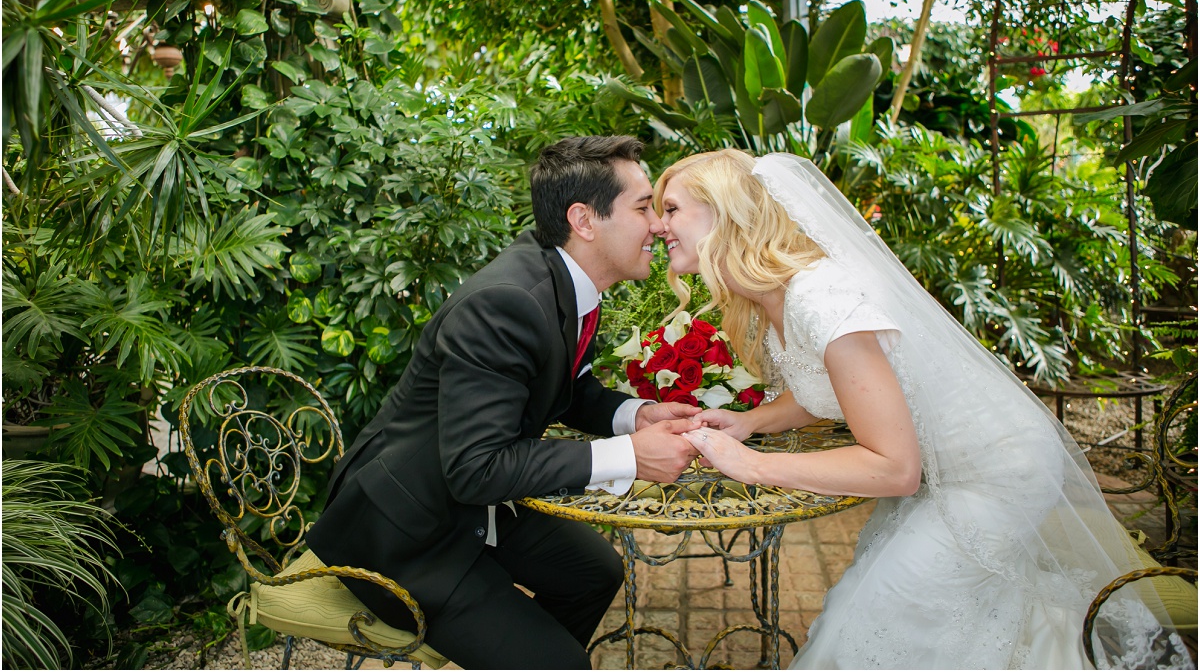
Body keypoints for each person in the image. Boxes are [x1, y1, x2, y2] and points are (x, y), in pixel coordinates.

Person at [654, 149, 1187, 669]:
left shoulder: (820, 297)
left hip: (998, 471)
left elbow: (894, 468)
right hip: (943, 472)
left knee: (885, 618)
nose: (659, 226)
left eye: (672, 208)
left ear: (727, 212)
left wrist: (752, 465)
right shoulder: (770, 296)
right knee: (900, 611)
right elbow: (830, 389)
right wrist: (749, 421)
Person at [306, 135, 701, 670]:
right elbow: (476, 467)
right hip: (405, 534)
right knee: (564, 665)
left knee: (596, 572)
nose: (658, 224)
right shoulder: (506, 303)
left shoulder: (567, 280)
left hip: (470, 502)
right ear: (584, 221)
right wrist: (630, 454)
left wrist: (632, 414)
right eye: (643, 207)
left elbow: (567, 386)